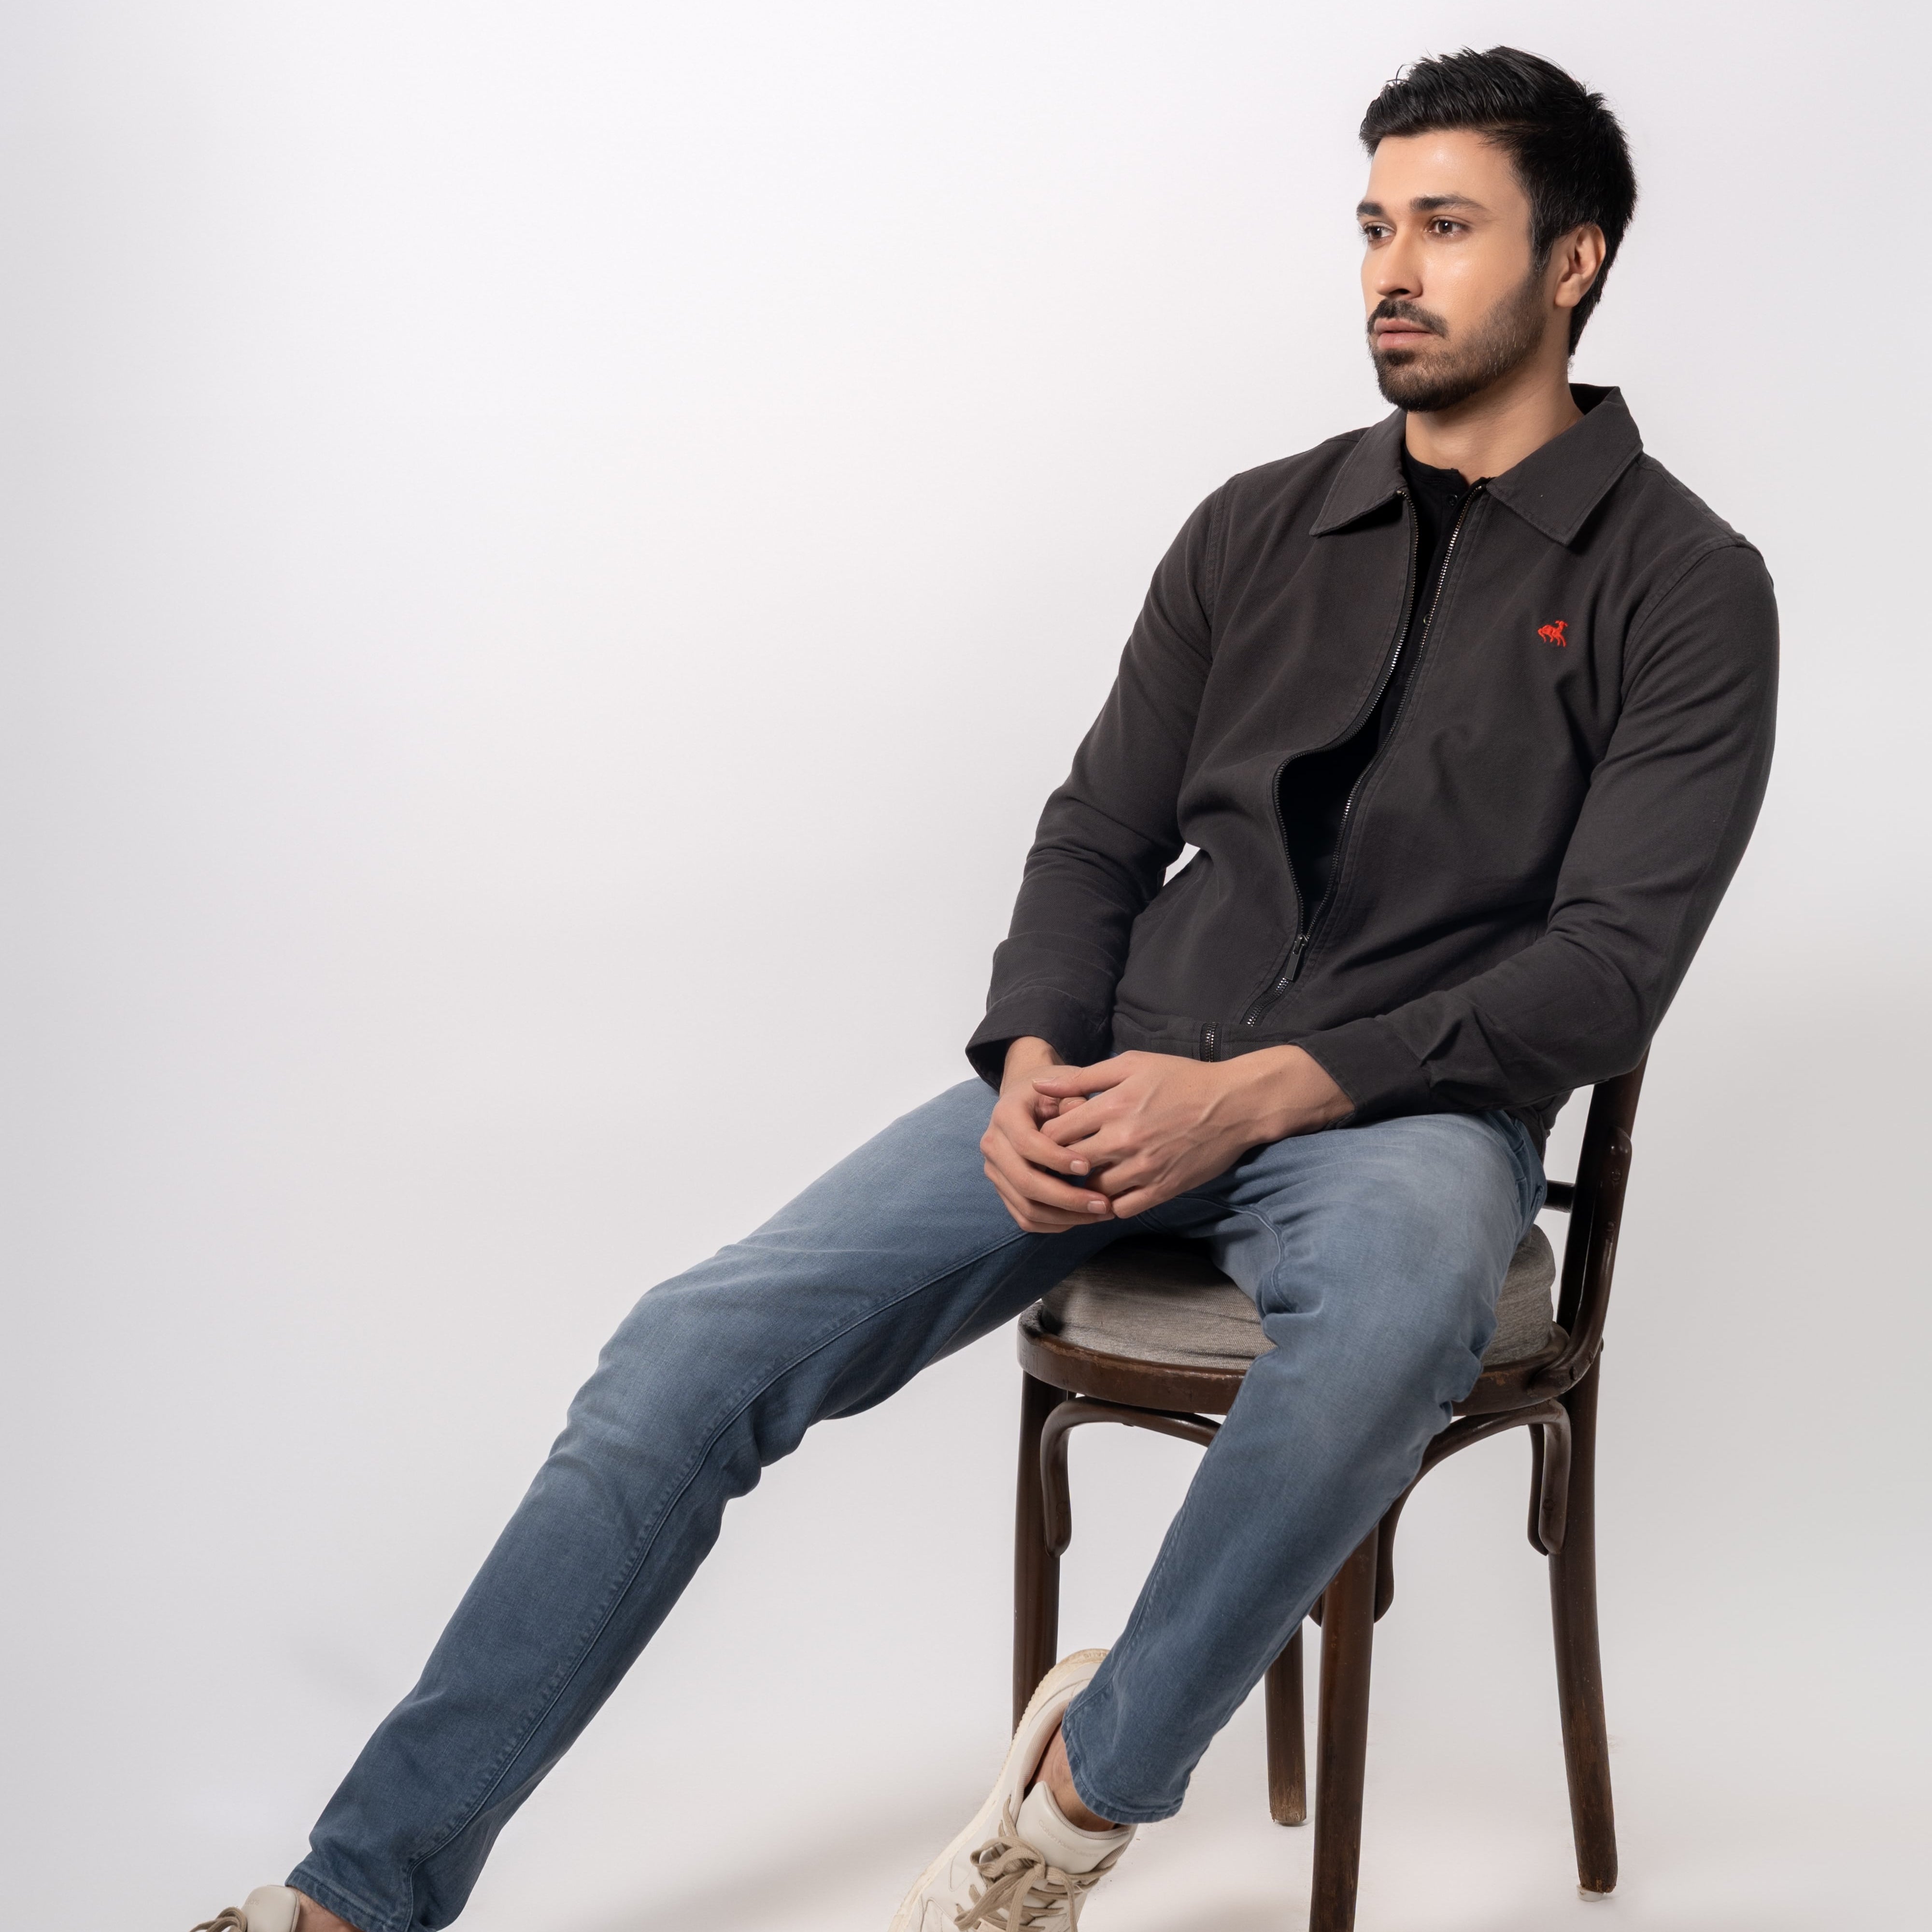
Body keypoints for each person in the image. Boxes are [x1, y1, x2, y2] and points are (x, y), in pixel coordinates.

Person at [194, 44, 1776, 1932]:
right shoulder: (1255, 529)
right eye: (1372, 224)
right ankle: (355, 1893)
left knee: (1387, 1326)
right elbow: (1095, 832)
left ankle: (1072, 1799)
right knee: (683, 1349)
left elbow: (1604, 975)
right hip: (1110, 1079)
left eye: (1444, 227)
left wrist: (1261, 1091)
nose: (1388, 270)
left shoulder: (1685, 584)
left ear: (1572, 260)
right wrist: (1033, 1049)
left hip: (1400, 1120)